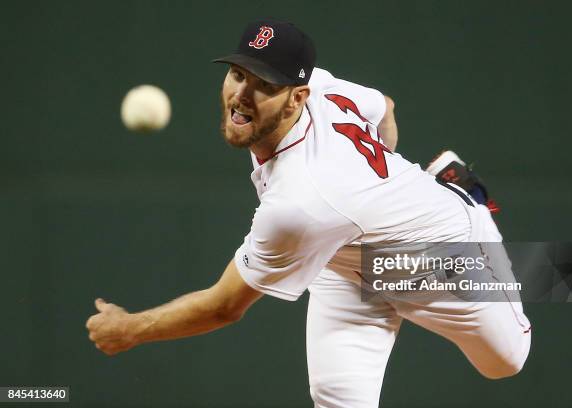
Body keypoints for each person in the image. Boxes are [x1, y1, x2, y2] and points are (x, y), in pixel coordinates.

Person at [86, 20, 531, 408]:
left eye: (264, 84)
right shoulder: (317, 87)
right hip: (342, 262)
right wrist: (370, 200)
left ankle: (464, 196)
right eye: (238, 75)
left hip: (439, 257)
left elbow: (223, 308)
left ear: (298, 97)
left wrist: (130, 330)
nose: (242, 95)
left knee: (505, 363)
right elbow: (386, 108)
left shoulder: (302, 203)